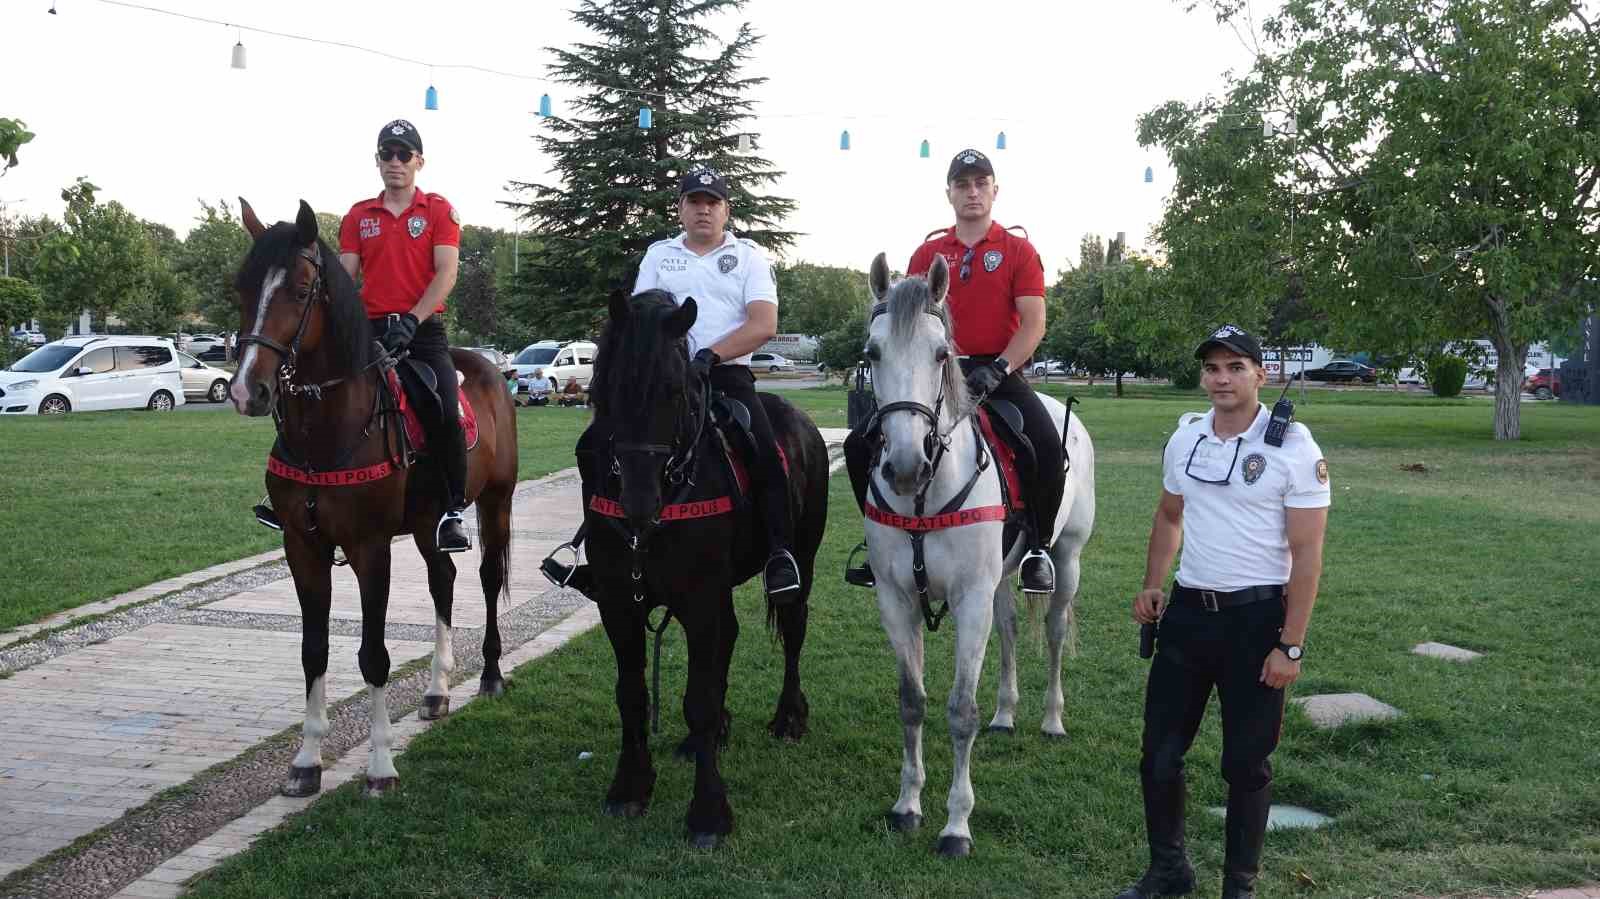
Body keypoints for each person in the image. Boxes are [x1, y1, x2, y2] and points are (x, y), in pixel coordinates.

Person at [1116, 325, 1330, 899]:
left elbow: (1308, 554)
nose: (1221, 378)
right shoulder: (1186, 438)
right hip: (1188, 616)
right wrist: (1153, 583)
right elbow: (1168, 516)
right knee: (1159, 755)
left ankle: (1240, 885)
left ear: (1261, 374)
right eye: (1212, 368)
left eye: (1236, 367)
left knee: (1245, 764)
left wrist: (1290, 645)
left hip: (1257, 622)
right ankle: (1169, 872)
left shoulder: (1293, 447)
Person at [549, 167, 802, 602]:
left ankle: (779, 553)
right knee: (594, 445)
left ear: (726, 211)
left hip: (724, 377)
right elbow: (642, 315)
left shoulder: (748, 258)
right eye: (694, 202)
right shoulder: (659, 255)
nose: (703, 210)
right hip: (662, 382)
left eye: (712, 203)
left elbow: (764, 323)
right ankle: (594, 547)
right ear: (681, 209)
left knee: (764, 451)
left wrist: (709, 355)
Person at [843, 148, 1062, 593]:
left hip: (997, 372)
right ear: (950, 193)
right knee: (856, 444)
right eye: (963, 185)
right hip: (933, 371)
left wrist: (998, 369)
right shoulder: (927, 252)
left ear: (995, 191)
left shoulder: (1018, 250)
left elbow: (1034, 324)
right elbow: (908, 324)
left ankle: (1037, 545)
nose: (972, 192)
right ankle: (878, 544)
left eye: (981, 183)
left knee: (1044, 444)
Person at [337, 118, 468, 552]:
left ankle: (452, 510)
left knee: (445, 408)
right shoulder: (358, 215)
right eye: (387, 154)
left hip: (423, 330)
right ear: (377, 161)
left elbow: (446, 273)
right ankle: (300, 491)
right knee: (321, 395)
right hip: (370, 331)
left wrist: (412, 318)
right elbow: (346, 277)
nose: (395, 162)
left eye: (404, 154)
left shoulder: (437, 210)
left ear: (419, 161)